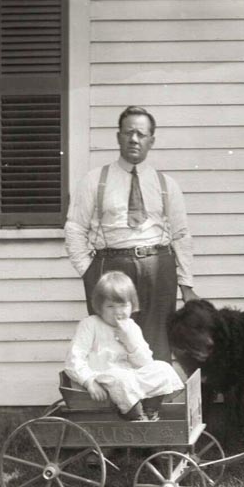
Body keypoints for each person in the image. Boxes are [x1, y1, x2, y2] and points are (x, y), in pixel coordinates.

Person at [64, 106, 199, 363]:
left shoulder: (166, 184)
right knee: (110, 342)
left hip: (158, 266)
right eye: (128, 133)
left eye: (141, 134)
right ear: (118, 137)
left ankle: (153, 403)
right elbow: (75, 228)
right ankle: (117, 403)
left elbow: (181, 235)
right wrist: (88, 270)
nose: (134, 139)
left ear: (151, 141)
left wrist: (187, 285)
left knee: (157, 342)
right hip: (111, 266)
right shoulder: (95, 180)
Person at [64, 271, 185, 421]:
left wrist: (130, 341)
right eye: (110, 306)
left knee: (163, 368)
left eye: (123, 305)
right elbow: (73, 360)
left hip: (128, 380)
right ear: (99, 306)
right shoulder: (90, 324)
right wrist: (89, 382)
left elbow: (145, 363)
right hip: (101, 378)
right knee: (121, 378)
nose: (118, 312)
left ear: (132, 305)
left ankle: (150, 410)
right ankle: (137, 417)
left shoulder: (132, 327)